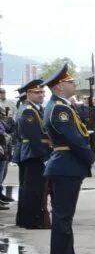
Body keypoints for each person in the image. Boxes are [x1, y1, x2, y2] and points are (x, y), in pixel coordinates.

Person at [43, 65, 95, 254]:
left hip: (65, 165)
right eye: (70, 82)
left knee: (64, 217)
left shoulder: (61, 106)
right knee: (63, 217)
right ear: (60, 86)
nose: (73, 85)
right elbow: (72, 139)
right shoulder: (60, 108)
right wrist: (92, 159)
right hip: (65, 166)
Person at [13, 74, 50, 229]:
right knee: (32, 189)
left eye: (42, 92)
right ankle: (31, 220)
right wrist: (44, 157)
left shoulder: (35, 109)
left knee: (30, 188)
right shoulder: (29, 111)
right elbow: (34, 137)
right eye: (37, 92)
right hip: (33, 154)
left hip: (33, 153)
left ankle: (26, 219)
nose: (41, 95)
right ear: (28, 94)